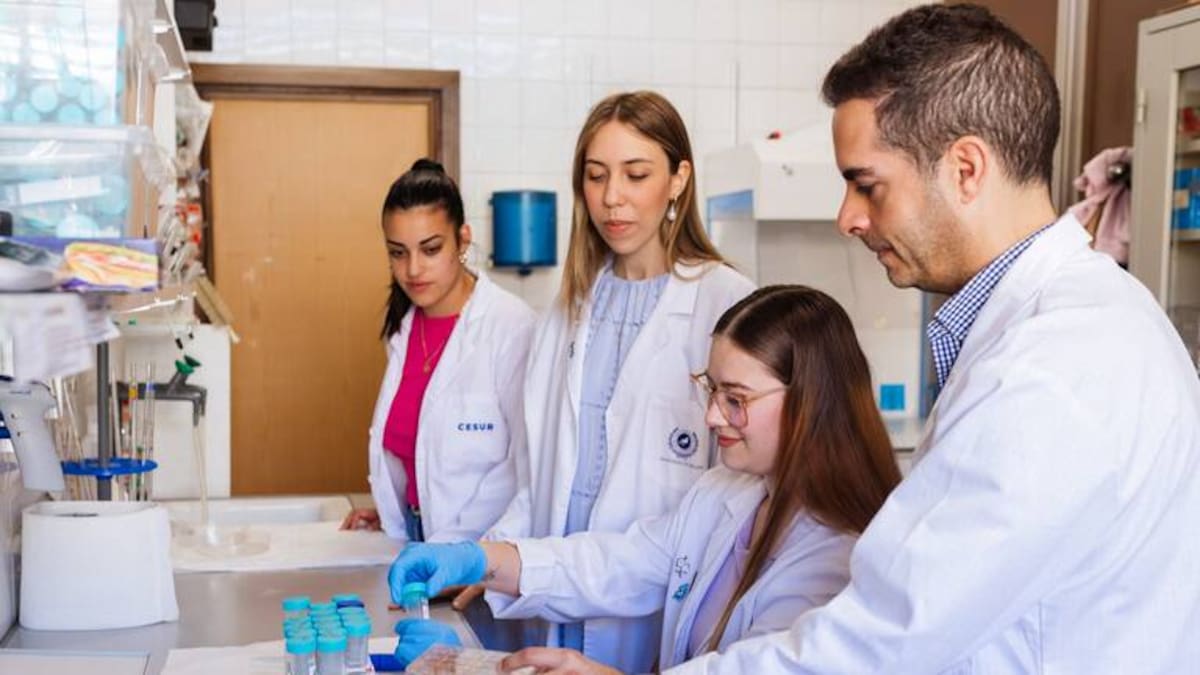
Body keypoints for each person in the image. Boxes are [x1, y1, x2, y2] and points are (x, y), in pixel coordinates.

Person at [565, 4, 1200, 673]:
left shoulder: (1056, 364)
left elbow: (877, 645)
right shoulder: (1070, 323)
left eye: (867, 186)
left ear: (966, 168)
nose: (848, 217)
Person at [389, 285, 903, 670]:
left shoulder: (838, 559)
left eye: (736, 400)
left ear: (810, 401)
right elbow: (624, 563)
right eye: (711, 390)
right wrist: (482, 559)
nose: (711, 418)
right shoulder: (729, 493)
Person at [472, 91, 756, 672]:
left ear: (678, 179)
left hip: (655, 609)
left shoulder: (726, 304)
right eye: (596, 176)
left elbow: (734, 497)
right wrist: (483, 556)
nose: (611, 198)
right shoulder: (569, 307)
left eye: (636, 174)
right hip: (555, 595)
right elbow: (540, 473)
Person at [340, 159, 536, 543]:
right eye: (398, 252)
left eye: (430, 249)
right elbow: (420, 449)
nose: (413, 269)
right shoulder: (404, 329)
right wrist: (394, 510)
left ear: (463, 241)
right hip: (415, 536)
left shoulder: (513, 327)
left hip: (483, 555)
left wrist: (467, 559)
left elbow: (524, 470)